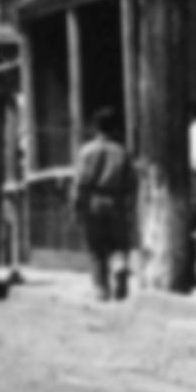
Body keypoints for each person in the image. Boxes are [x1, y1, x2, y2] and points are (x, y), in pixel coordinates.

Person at [72, 112, 139, 300]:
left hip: (93, 200)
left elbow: (80, 182)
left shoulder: (86, 151)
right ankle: (120, 272)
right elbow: (131, 182)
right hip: (116, 201)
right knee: (118, 243)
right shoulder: (122, 151)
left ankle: (101, 289)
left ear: (96, 127)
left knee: (96, 247)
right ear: (114, 128)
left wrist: (77, 206)